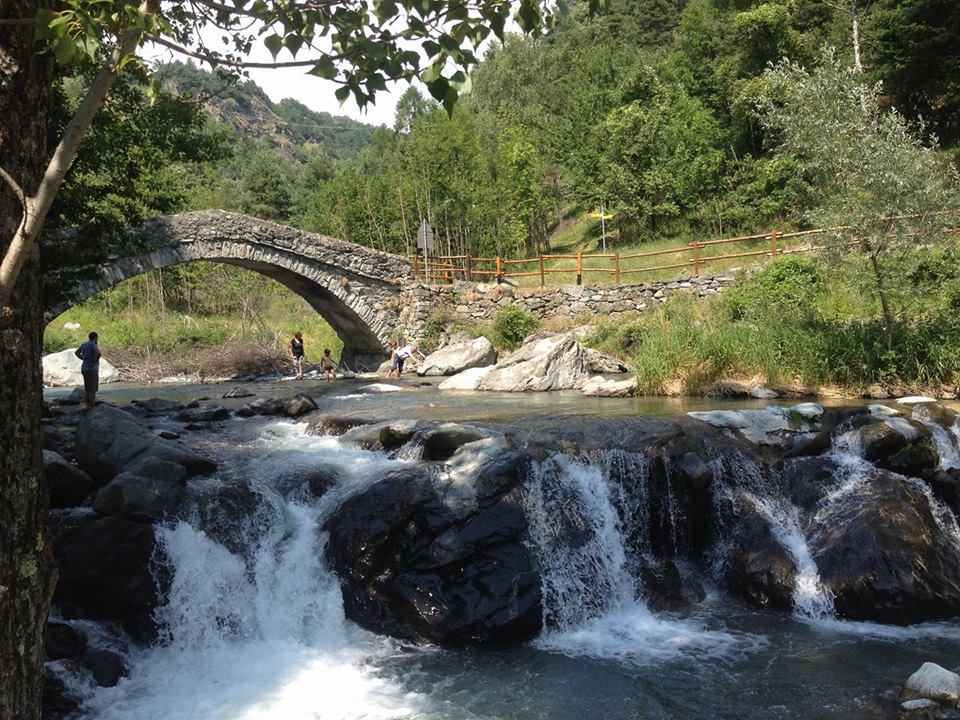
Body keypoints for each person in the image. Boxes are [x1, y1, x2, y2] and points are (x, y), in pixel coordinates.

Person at [74, 331, 101, 409]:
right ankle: (92, 406)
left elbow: (76, 352)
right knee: (93, 390)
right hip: (92, 368)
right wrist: (95, 360)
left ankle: (87, 405)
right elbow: (98, 353)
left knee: (87, 389)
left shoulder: (84, 345)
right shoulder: (93, 344)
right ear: (95, 337)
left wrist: (83, 359)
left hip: (84, 368)